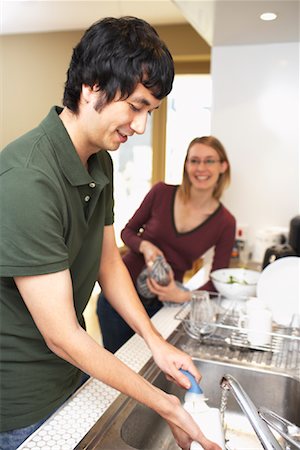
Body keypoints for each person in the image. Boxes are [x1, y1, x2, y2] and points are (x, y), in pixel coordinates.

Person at [0, 16, 221, 450]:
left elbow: (107, 263)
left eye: (150, 112)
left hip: (70, 373)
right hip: (20, 400)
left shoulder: (99, 161)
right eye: (136, 106)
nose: (140, 127)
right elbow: (61, 334)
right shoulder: (27, 179)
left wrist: (154, 341)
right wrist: (167, 405)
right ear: (92, 85)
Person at [98, 136, 236, 352]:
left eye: (209, 161)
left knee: (148, 365)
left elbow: (218, 280)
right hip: (120, 294)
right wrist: (145, 246)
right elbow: (127, 232)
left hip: (163, 305)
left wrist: (183, 295)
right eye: (194, 160)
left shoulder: (225, 222)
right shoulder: (161, 192)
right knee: (116, 365)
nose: (201, 168)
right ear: (186, 165)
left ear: (223, 166)